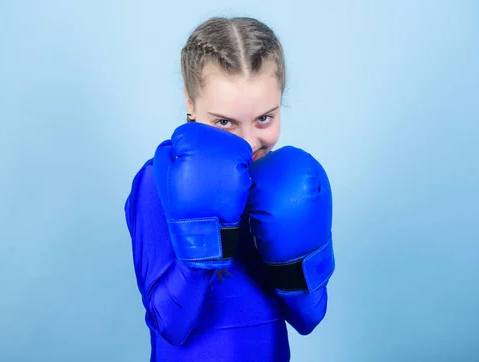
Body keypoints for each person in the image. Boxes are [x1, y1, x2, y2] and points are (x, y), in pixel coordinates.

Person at [124, 16, 335, 361]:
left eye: (264, 118)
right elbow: (169, 322)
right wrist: (205, 242)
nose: (248, 142)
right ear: (190, 104)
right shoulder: (157, 181)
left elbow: (309, 317)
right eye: (224, 122)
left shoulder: (288, 185)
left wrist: (294, 267)